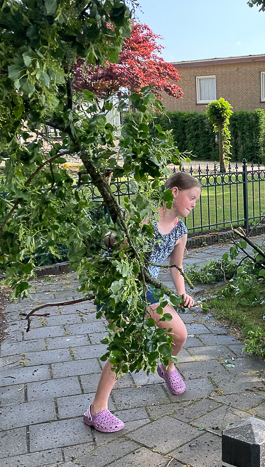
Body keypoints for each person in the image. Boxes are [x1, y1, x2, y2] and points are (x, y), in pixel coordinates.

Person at [83, 172, 202, 433]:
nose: (194, 203)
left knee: (179, 335)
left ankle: (167, 366)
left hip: (148, 290)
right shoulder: (143, 216)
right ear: (174, 192)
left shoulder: (180, 231)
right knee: (125, 346)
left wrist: (182, 293)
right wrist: (117, 239)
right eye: (191, 197)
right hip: (119, 289)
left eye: (196, 200)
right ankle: (96, 410)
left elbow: (176, 265)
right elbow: (108, 240)